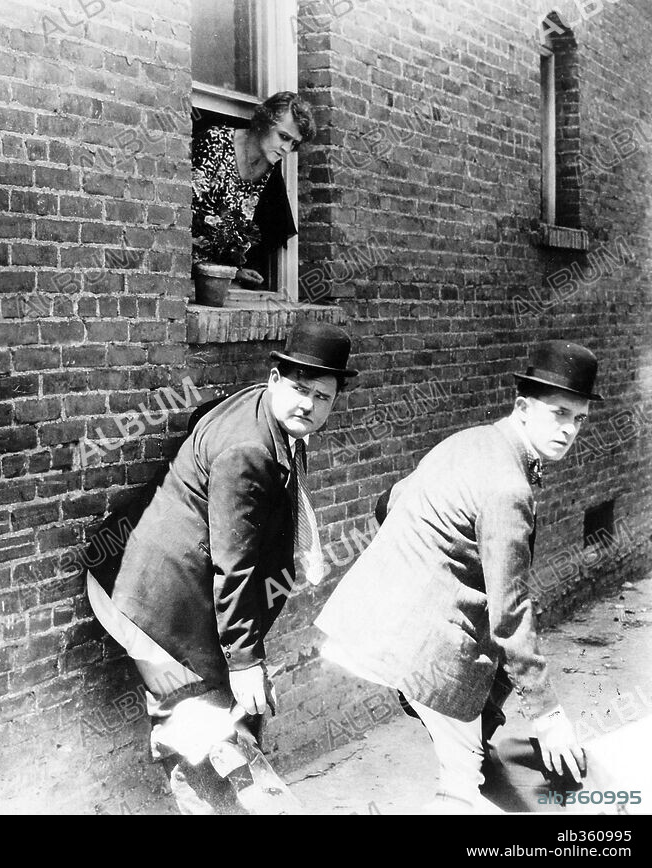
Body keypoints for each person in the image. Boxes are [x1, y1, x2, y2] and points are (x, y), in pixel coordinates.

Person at [315, 340, 599, 812]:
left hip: (372, 617)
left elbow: (389, 501)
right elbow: (510, 614)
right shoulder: (507, 486)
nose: (569, 429)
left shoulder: (472, 440)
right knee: (462, 780)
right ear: (523, 408)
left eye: (579, 419)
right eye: (559, 413)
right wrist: (548, 712)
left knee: (485, 708)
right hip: (419, 643)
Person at [87, 322, 358, 813]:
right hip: (159, 608)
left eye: (323, 397)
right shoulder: (248, 451)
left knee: (229, 731)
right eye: (300, 389)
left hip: (169, 591)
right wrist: (246, 662)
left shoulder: (259, 407)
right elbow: (233, 566)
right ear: (275, 379)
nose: (310, 407)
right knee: (202, 738)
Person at [191, 91, 313, 288]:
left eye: (294, 143)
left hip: (215, 281)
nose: (287, 149)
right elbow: (185, 216)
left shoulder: (268, 169)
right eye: (283, 136)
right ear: (263, 122)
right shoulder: (215, 142)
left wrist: (236, 271)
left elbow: (235, 234)